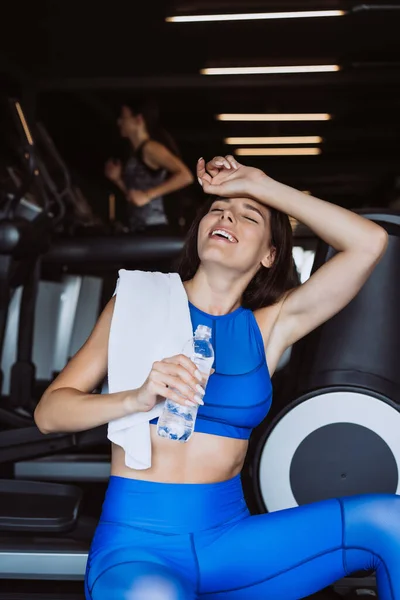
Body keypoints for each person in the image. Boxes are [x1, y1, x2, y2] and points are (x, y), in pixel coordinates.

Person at [34, 155, 398, 600]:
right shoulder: (138, 302)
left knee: (390, 521)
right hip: (139, 545)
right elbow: (49, 414)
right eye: (218, 208)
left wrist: (262, 184)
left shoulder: (269, 328)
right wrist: (135, 398)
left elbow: (369, 243)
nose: (227, 215)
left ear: (270, 254)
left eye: (249, 215)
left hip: (229, 541)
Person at [104, 100, 194, 232]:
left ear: (138, 119)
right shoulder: (134, 153)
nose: (119, 122)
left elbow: (186, 176)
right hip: (139, 227)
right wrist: (118, 180)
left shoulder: (150, 148)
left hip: (158, 227)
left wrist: (148, 195)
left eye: (123, 117)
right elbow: (136, 198)